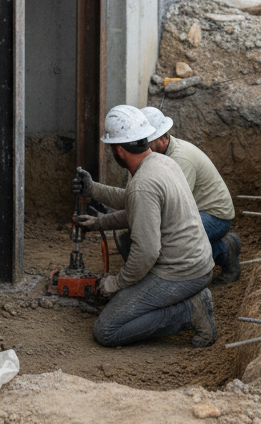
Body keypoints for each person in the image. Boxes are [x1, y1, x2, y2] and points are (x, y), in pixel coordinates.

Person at [75, 105, 217, 348]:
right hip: (196, 264)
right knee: (127, 301)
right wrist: (94, 194)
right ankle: (185, 304)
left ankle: (188, 310)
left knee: (107, 330)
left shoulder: (144, 183)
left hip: (180, 274)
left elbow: (147, 252)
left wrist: (115, 284)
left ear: (119, 150)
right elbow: (134, 202)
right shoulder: (161, 162)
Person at [75, 106, 241, 284]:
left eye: (143, 141)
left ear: (160, 139)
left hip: (214, 216)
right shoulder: (154, 160)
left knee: (164, 246)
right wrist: (94, 190)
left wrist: (102, 223)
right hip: (193, 211)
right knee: (144, 234)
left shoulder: (177, 161)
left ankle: (223, 249)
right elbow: (133, 201)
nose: (140, 146)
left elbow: (150, 212)